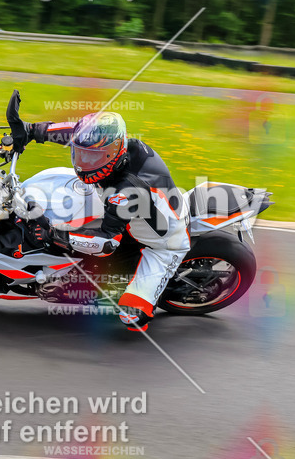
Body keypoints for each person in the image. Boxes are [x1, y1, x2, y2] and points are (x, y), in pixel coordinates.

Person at [15, 112, 190, 332]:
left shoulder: (127, 191)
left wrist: (55, 234)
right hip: (132, 210)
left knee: (132, 317)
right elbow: (74, 131)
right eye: (80, 154)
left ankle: (142, 296)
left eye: (93, 157)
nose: (84, 162)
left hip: (164, 243)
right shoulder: (117, 146)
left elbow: (108, 243)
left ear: (113, 152)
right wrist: (30, 130)